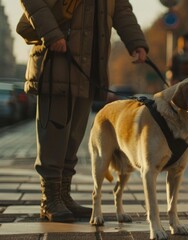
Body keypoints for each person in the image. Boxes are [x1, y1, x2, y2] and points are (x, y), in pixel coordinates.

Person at [17, 0, 149, 222]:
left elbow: (121, 9)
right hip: (56, 61)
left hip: (89, 67)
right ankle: (49, 199)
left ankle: (63, 196)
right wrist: (52, 34)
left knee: (74, 135)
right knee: (54, 135)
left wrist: (136, 43)